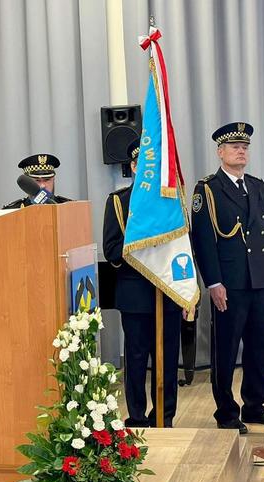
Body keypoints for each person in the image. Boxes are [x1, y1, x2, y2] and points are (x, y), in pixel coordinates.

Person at [191, 122, 264, 435]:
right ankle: (226, 410)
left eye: (244, 147)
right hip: (229, 283)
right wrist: (214, 283)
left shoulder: (257, 185)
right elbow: (204, 241)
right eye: (234, 147)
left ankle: (255, 404)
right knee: (226, 349)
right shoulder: (207, 189)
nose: (241, 151)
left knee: (259, 346)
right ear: (220, 152)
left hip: (258, 279)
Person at [102, 139, 181, 428]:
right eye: (142, 164)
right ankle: (137, 416)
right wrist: (142, 236)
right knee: (135, 359)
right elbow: (111, 250)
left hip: (168, 291)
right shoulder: (118, 202)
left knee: (168, 359)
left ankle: (165, 416)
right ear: (134, 167)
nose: (148, 168)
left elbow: (183, 248)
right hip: (135, 294)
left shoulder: (171, 201)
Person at [2, 153, 72, 208]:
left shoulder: (69, 208)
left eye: (47, 180)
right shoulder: (13, 211)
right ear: (27, 183)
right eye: (37, 180)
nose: (42, 186)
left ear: (54, 180)